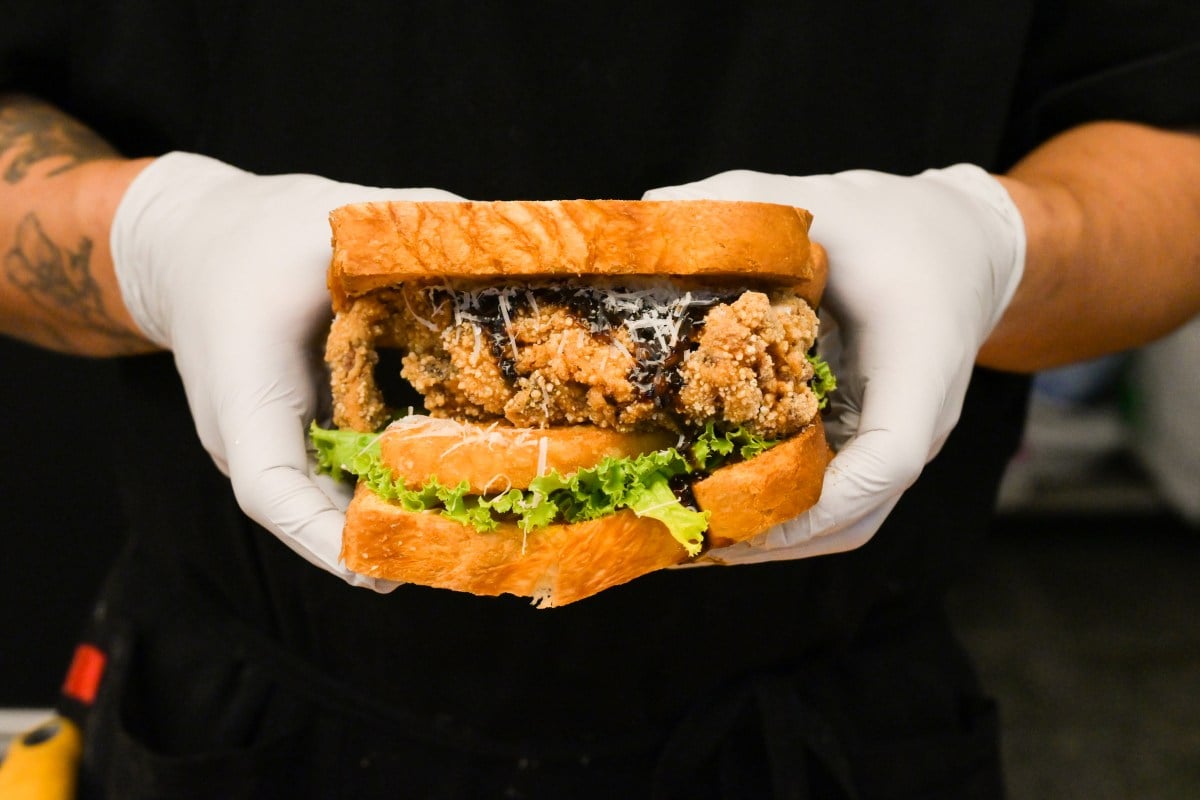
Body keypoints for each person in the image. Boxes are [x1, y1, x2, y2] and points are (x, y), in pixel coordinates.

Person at [2, 2, 1198, 797]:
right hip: (239, 715)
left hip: (836, 724)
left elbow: (1168, 144)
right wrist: (148, 237)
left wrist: (999, 242)